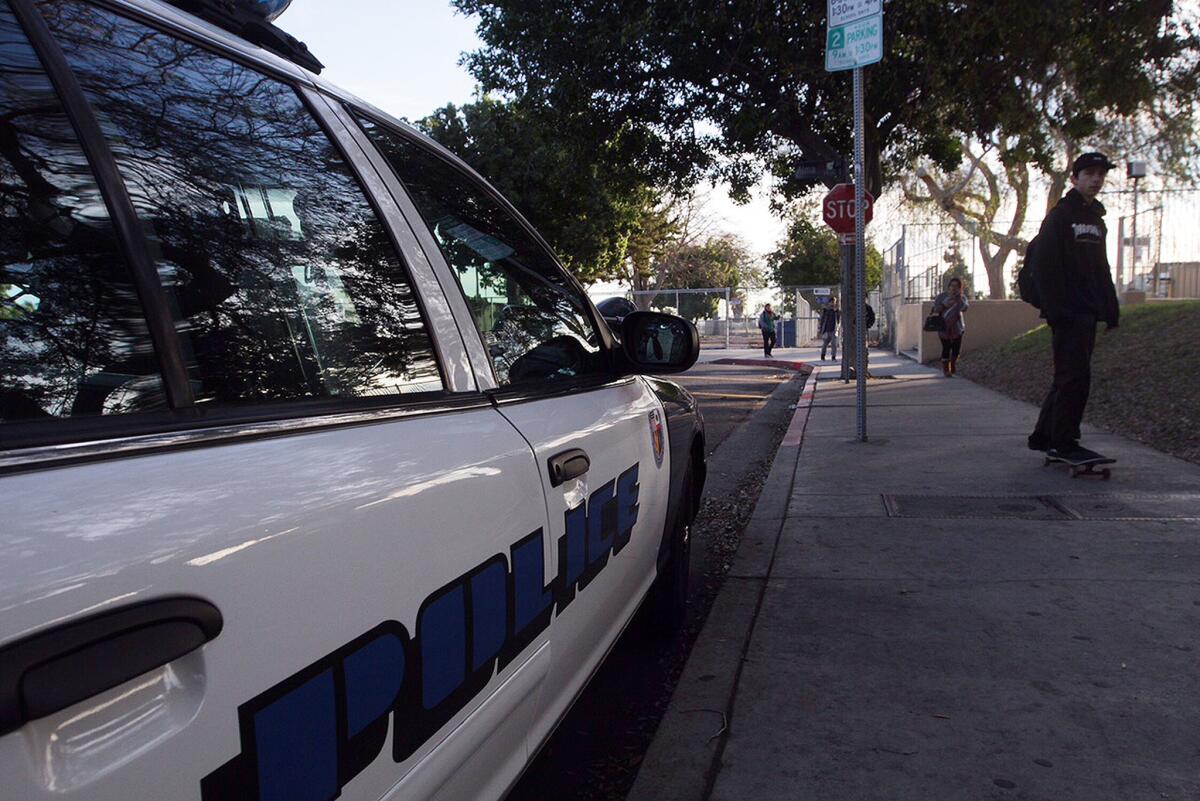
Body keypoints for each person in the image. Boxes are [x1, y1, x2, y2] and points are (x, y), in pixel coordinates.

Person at [1028, 151, 1120, 461]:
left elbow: (1101, 268)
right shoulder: (1061, 216)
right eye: (1089, 173)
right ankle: (1064, 441)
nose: (1096, 179)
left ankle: (1046, 436)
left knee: (1069, 376)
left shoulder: (1097, 220)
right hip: (1067, 312)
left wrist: (1111, 307)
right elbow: (1044, 266)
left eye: (1100, 174)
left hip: (1088, 311)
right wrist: (1056, 308)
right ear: (1075, 178)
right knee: (1075, 377)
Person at [931, 277, 969, 377]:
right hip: (943, 327)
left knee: (956, 350)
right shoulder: (941, 297)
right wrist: (944, 305)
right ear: (949, 287)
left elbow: (965, 308)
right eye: (952, 286)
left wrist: (958, 299)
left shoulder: (962, 298)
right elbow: (935, 309)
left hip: (957, 327)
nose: (954, 288)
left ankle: (953, 363)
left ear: (960, 288)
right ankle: (946, 370)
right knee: (946, 347)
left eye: (956, 286)